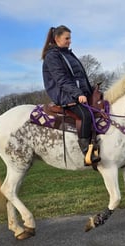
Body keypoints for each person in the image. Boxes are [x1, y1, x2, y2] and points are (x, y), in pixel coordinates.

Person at [41, 25, 100, 166]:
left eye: (70, 38)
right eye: (67, 38)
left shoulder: (67, 54)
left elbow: (80, 76)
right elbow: (61, 79)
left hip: (78, 93)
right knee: (85, 115)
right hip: (65, 95)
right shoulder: (52, 56)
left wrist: (90, 90)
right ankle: (87, 152)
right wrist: (78, 93)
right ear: (57, 38)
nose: (70, 41)